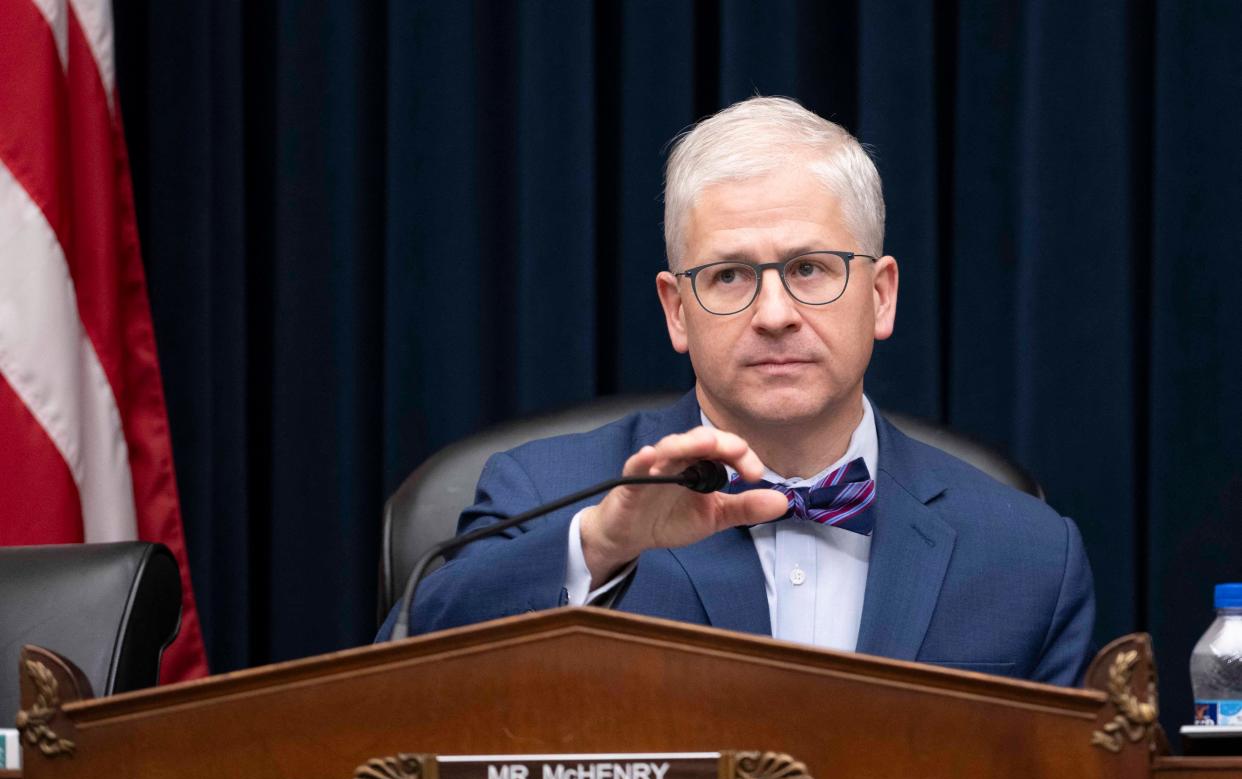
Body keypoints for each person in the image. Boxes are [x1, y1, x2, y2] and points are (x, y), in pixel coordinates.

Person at [378, 96, 1095, 686]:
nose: (776, 314)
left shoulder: (1029, 554)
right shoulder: (544, 491)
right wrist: (600, 547)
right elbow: (387, 691)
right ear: (676, 311)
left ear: (881, 296)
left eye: (811, 268)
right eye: (729, 276)